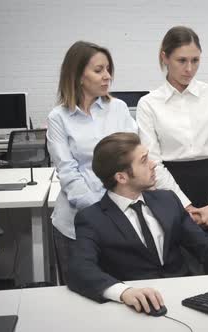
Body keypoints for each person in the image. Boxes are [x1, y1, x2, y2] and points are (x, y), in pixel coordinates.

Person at [67, 132, 208, 313]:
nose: (153, 164)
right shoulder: (92, 218)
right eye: (143, 160)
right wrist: (124, 292)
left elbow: (207, 246)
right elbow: (79, 268)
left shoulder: (167, 200)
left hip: (184, 299)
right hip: (136, 309)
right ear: (121, 177)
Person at [136, 26, 208, 252]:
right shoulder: (148, 104)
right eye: (181, 60)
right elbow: (153, 162)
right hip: (172, 189)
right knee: (184, 268)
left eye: (195, 60)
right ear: (165, 57)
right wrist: (185, 207)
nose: (189, 68)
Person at [47, 41, 138, 283]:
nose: (107, 76)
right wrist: (102, 213)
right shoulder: (58, 117)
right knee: (79, 298)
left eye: (108, 69)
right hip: (76, 224)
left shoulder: (118, 109)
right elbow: (68, 172)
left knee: (121, 293)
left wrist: (117, 213)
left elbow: (134, 158)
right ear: (77, 75)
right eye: (98, 70)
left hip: (121, 220)